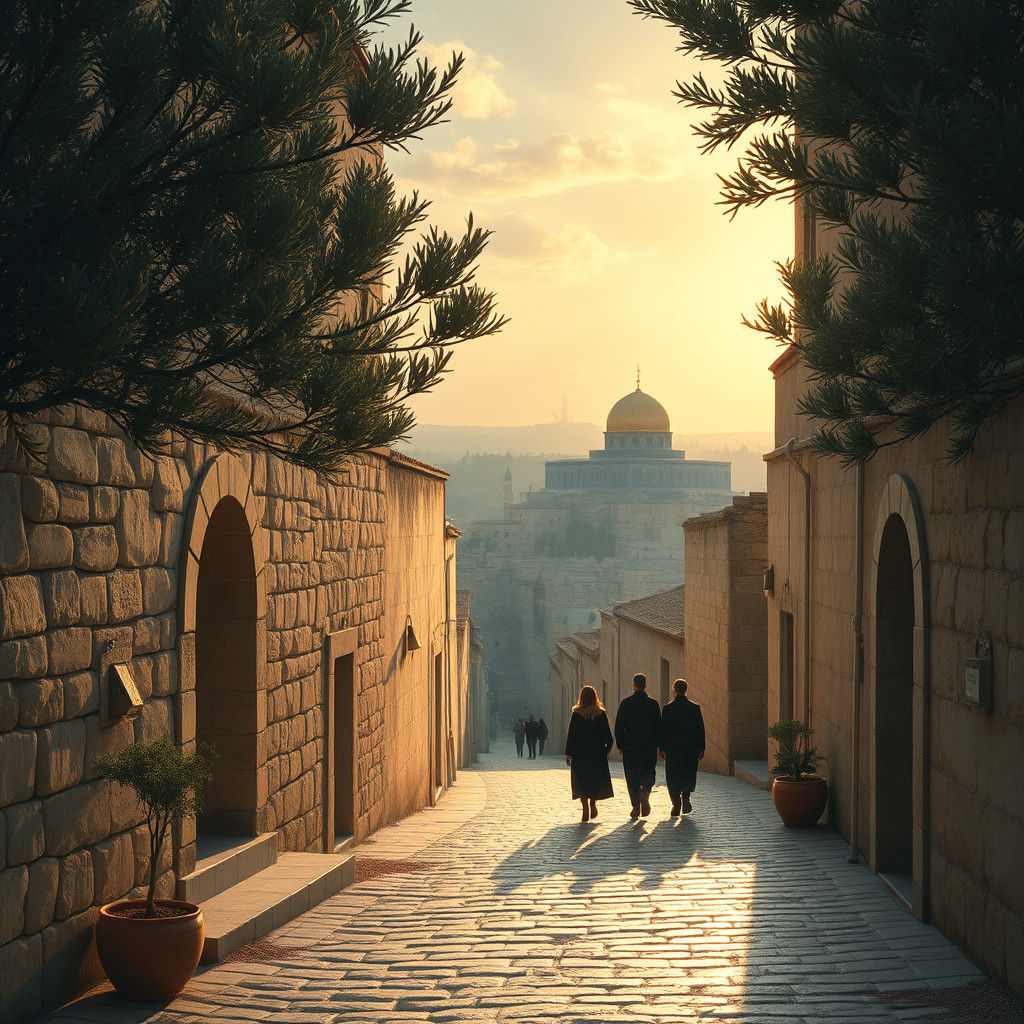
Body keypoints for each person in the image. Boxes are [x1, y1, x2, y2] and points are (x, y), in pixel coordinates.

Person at [614, 673, 661, 819]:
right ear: (645, 686)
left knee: (631, 776)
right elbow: (659, 727)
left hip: (630, 746)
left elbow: (618, 726)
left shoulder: (626, 703)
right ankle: (645, 791)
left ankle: (635, 806)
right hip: (649, 746)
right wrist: (661, 746)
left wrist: (620, 744)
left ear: (633, 686)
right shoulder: (653, 704)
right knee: (648, 771)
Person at [565, 685, 614, 822]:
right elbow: (608, 736)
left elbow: (571, 735)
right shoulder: (600, 714)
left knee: (581, 781)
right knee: (594, 780)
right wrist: (606, 749)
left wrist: (569, 753)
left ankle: (585, 806)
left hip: (580, 754)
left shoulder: (576, 714)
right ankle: (593, 803)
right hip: (596, 754)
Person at [660, 679, 706, 815]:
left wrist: (661, 748)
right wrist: (701, 748)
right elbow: (700, 729)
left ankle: (676, 803)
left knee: (673, 775)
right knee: (689, 773)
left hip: (673, 749)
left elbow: (663, 730)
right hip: (690, 748)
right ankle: (686, 797)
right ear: (686, 690)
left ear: (674, 690)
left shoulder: (668, 709)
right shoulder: (694, 708)